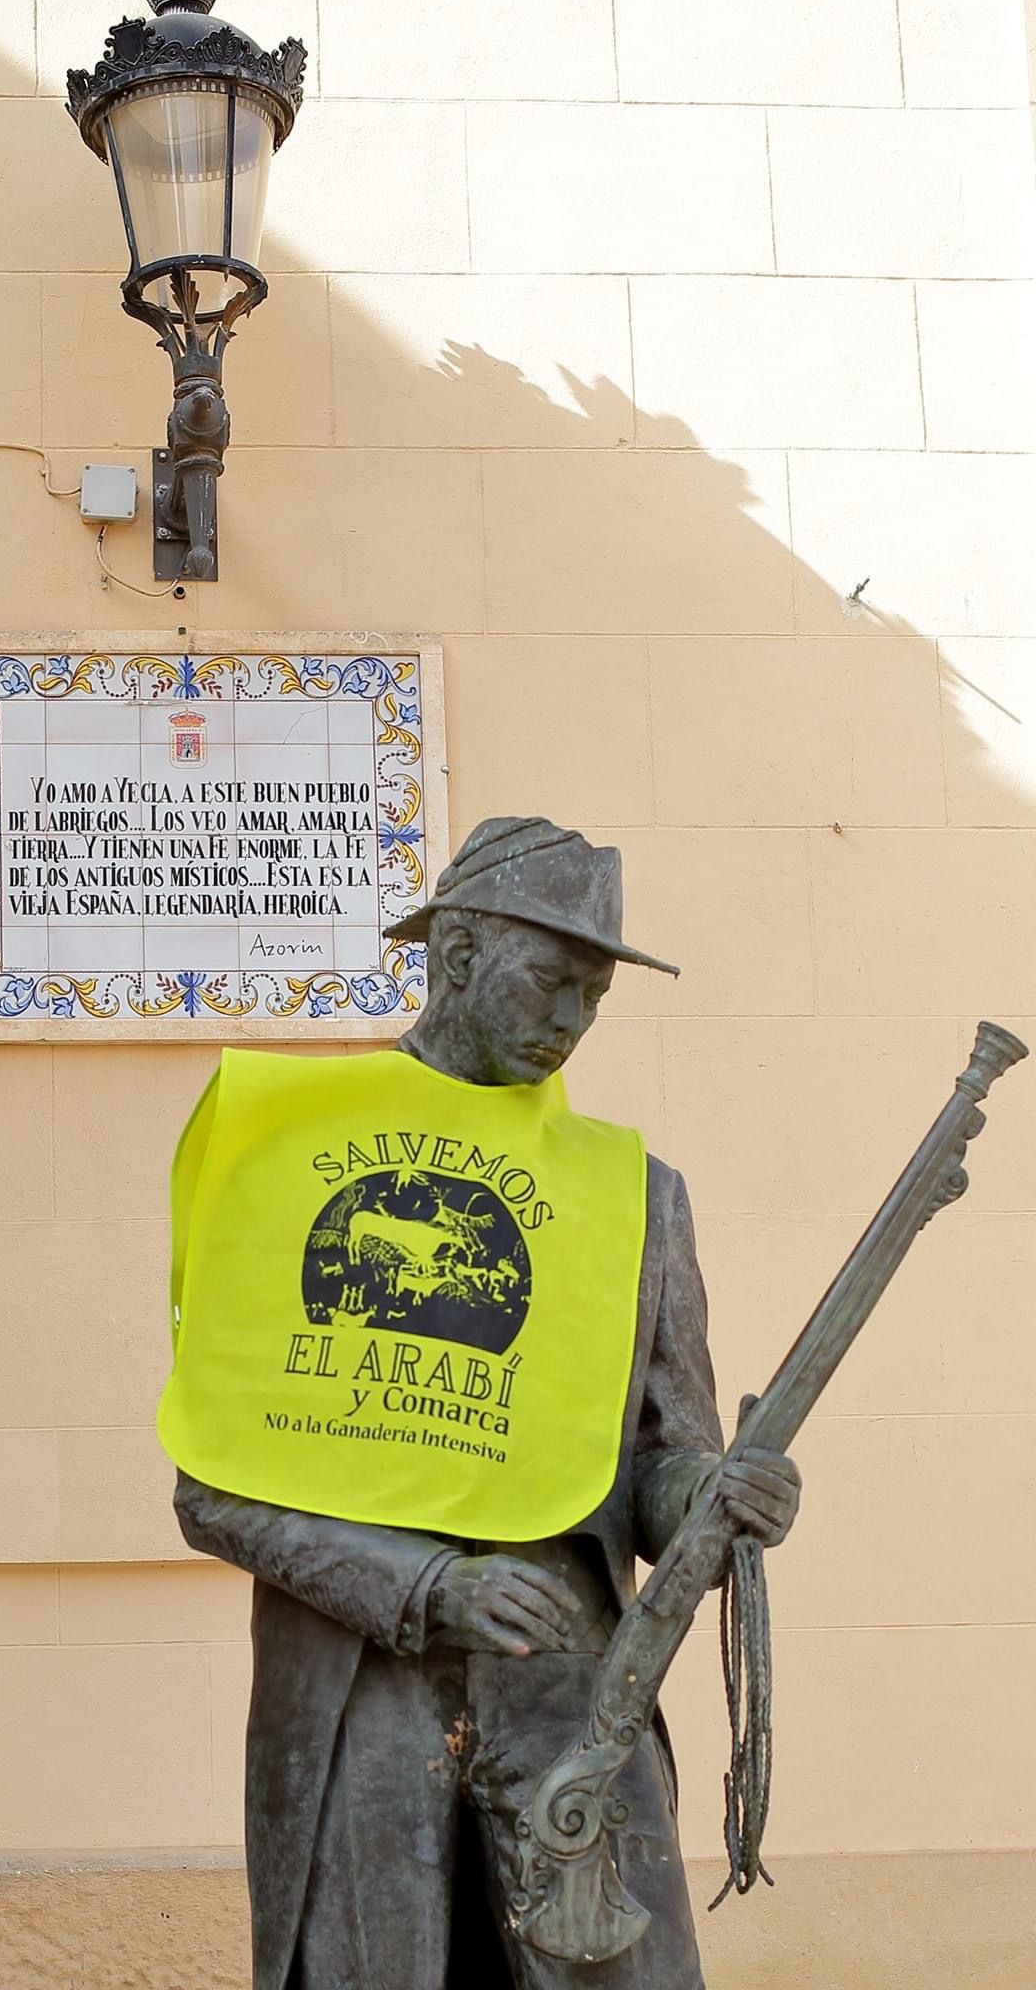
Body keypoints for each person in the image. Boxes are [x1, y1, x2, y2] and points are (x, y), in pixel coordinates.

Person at [171, 816, 802, 1989]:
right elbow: (211, 1490)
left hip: (576, 1694)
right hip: (358, 1692)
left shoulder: (636, 1198)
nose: (570, 1021)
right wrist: (429, 1586)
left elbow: (664, 1470)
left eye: (594, 996)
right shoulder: (286, 1153)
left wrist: (719, 1493)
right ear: (455, 954)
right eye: (549, 980)